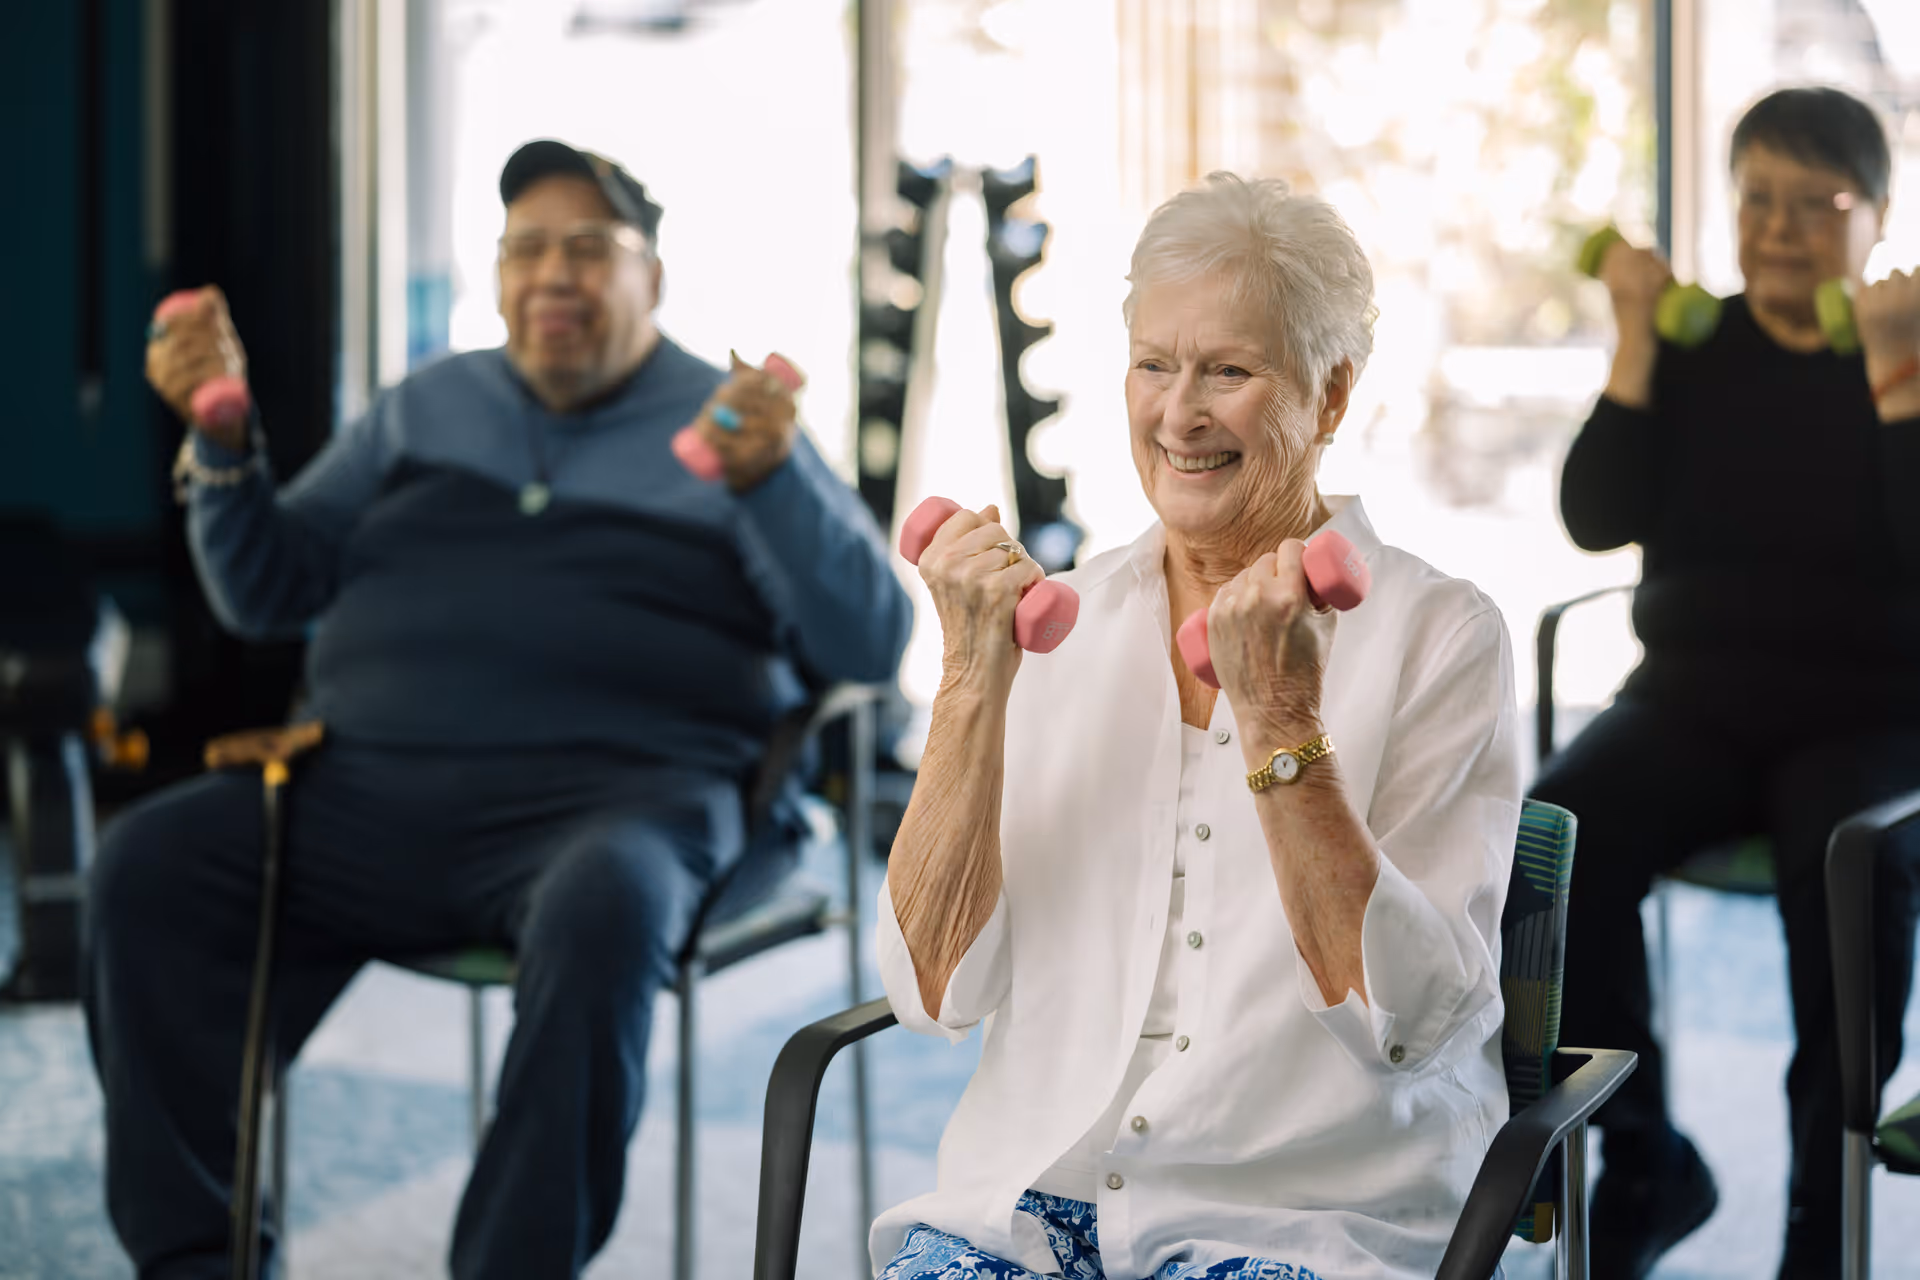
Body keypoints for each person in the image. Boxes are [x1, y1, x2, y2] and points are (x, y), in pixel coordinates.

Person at [88, 139, 911, 1279]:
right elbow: (268, 590)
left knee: (607, 906)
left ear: (654, 279)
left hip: (623, 806)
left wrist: (773, 479)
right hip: (368, 791)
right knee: (144, 864)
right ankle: (196, 1260)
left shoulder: (735, 425)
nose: (551, 274)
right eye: (525, 247)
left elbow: (870, 640)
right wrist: (223, 449)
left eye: (588, 247)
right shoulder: (426, 406)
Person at [870, 172, 1522, 1280]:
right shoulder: (1055, 627)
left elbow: (1410, 1025)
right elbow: (932, 995)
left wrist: (1280, 722)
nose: (1180, 413)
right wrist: (974, 685)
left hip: (1302, 1217)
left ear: (1327, 396)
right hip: (1031, 1203)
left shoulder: (1442, 635)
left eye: (1230, 369)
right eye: (1154, 365)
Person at [1531, 86, 1920, 1279]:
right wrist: (1636, 347)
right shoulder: (1699, 355)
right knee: (1559, 829)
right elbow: (1595, 517)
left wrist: (1900, 382)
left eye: (1817, 203)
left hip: (1863, 717)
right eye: (1758, 198)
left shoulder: (1904, 352)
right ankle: (1646, 1162)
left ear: (1878, 217)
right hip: (1689, 703)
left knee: (1846, 862)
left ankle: (1822, 1220)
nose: (1781, 228)